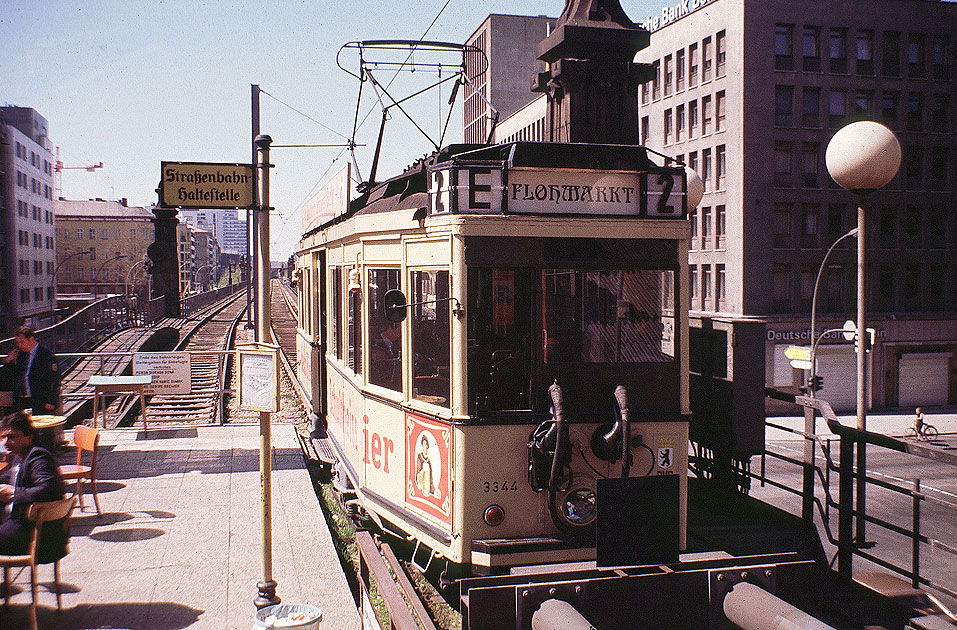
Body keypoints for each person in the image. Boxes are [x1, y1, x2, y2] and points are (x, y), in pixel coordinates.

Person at [0, 411, 67, 559]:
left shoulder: (38, 456)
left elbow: (47, 489)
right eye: (3, 437)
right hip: (25, 527)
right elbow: (9, 477)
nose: (5, 442)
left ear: (29, 437)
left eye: (12, 437)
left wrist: (13, 493)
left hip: (38, 538)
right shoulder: (20, 456)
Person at [1, 325, 60, 414]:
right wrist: (8, 361)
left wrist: (51, 401)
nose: (19, 345)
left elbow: (53, 380)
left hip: (39, 399)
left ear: (31, 339)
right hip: (21, 400)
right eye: (17, 343)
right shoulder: (19, 355)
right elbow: (6, 377)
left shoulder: (46, 355)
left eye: (22, 342)